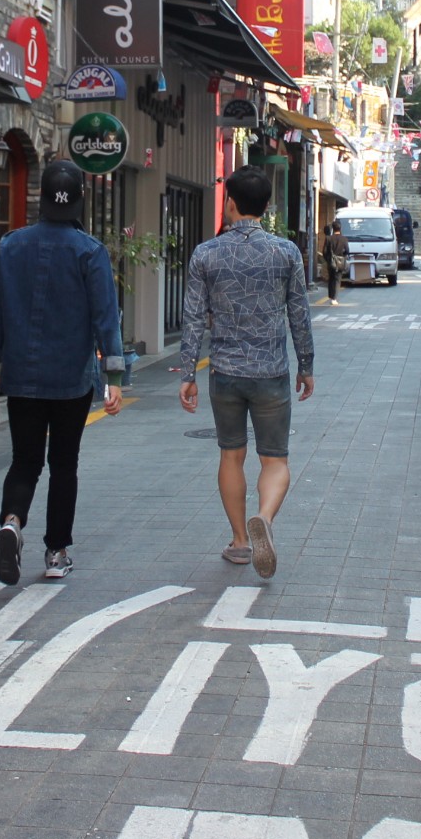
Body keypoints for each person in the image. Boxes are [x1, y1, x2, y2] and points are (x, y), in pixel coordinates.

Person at [0, 160, 125, 585]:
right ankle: (56, 552)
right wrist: (114, 377)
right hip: (70, 380)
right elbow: (105, 317)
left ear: (41, 198)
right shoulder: (89, 251)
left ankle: (11, 522)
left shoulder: (11, 246)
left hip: (21, 375)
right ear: (79, 199)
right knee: (63, 464)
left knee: (24, 460)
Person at [179, 167, 314, 578]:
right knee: (275, 459)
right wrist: (306, 365)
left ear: (230, 203)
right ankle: (265, 519)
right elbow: (299, 314)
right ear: (267, 207)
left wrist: (187, 372)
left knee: (231, 454)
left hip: (224, 372)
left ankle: (240, 542)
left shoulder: (206, 254)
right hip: (271, 371)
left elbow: (193, 317)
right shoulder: (286, 252)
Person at [320, 219, 346, 301]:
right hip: (340, 261)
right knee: (337, 279)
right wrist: (343, 257)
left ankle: (330, 295)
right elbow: (347, 251)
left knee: (331, 278)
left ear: (333, 229)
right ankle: (334, 298)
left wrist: (328, 259)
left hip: (331, 261)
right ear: (340, 228)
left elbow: (324, 251)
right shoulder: (344, 239)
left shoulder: (329, 239)